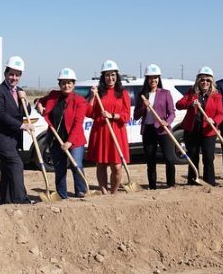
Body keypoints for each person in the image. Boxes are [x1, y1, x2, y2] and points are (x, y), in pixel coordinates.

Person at [36, 67, 89, 198]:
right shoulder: (54, 96)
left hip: (75, 141)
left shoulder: (79, 101)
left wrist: (69, 142)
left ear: (74, 84)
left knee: (76, 164)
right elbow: (40, 100)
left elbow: (78, 123)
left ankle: (81, 190)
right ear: (59, 84)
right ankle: (62, 194)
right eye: (63, 83)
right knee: (59, 169)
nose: (66, 85)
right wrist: (38, 104)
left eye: (69, 82)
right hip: (56, 140)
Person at [0, 56, 31, 205]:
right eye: (11, 74)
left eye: (17, 74)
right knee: (16, 165)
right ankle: (21, 199)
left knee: (7, 171)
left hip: (12, 140)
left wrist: (25, 100)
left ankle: (6, 201)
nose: (14, 78)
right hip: (0, 138)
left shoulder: (20, 92)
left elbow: (26, 112)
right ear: (6, 74)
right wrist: (21, 126)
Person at [87, 60, 131, 195]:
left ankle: (114, 192)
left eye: (113, 75)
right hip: (101, 131)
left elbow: (126, 115)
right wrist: (93, 97)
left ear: (117, 76)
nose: (110, 78)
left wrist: (112, 115)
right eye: (107, 75)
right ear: (103, 76)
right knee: (101, 164)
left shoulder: (122, 93)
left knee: (117, 167)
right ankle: (104, 192)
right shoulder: (99, 92)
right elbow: (89, 112)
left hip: (117, 132)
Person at [175, 67, 223, 186]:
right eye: (202, 80)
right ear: (198, 81)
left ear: (211, 81)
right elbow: (179, 104)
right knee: (193, 156)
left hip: (208, 131)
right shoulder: (191, 93)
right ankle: (193, 180)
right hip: (192, 130)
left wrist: (214, 121)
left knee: (208, 157)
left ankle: (209, 181)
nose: (204, 82)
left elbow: (220, 114)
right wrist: (190, 104)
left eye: (207, 80)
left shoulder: (216, 96)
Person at [133, 64, 177, 189]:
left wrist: (167, 122)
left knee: (169, 158)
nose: (153, 80)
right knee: (151, 161)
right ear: (147, 79)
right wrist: (143, 106)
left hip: (163, 130)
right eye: (150, 78)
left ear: (159, 78)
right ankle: (152, 186)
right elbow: (136, 116)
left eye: (155, 77)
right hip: (148, 130)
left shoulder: (165, 93)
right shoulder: (142, 95)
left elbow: (172, 112)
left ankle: (170, 184)